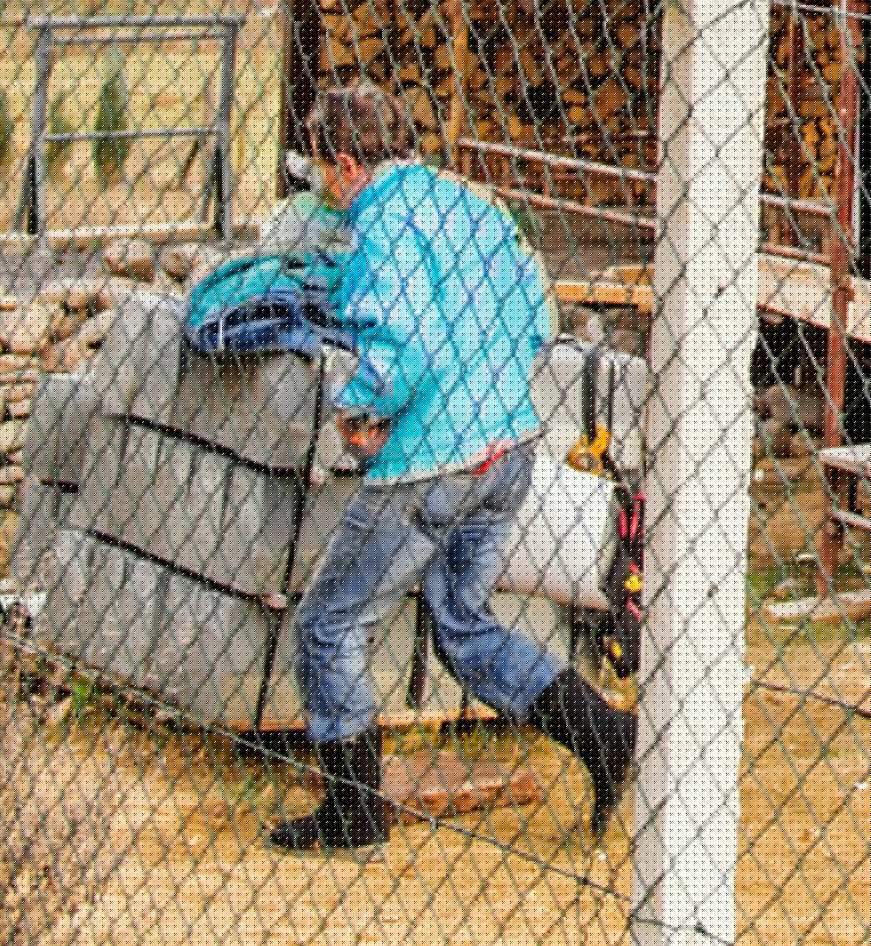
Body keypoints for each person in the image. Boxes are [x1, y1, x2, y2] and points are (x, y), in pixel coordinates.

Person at [263, 81, 637, 854]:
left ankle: (355, 812)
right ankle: (605, 733)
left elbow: (405, 342)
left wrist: (359, 412)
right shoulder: (468, 203)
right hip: (508, 447)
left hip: (429, 463)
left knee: (330, 622)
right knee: (462, 625)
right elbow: (536, 313)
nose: (322, 190)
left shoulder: (383, 225)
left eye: (321, 173)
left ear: (344, 164)